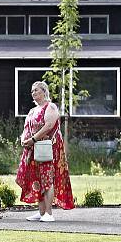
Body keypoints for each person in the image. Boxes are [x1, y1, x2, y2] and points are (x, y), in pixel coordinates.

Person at [16, 80, 75, 222]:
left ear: (44, 91)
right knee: (36, 179)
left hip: (47, 148)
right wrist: (24, 140)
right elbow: (26, 128)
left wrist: (33, 139)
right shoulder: (32, 110)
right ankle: (41, 212)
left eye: (36, 90)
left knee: (47, 179)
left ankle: (49, 213)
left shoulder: (50, 107)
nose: (33, 93)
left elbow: (48, 125)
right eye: (32, 91)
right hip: (33, 149)